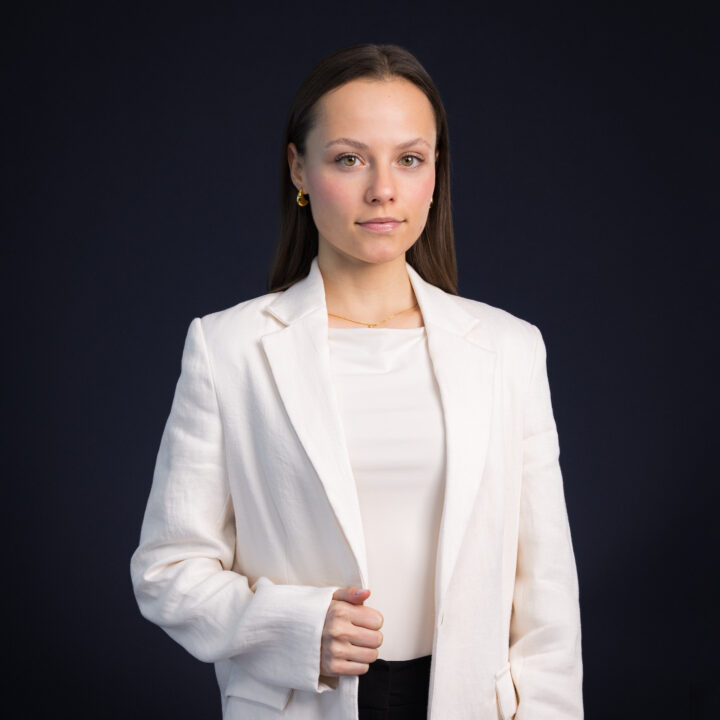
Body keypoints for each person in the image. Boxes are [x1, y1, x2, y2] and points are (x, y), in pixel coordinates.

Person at [130, 43, 583, 720]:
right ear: (298, 169)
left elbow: (545, 593)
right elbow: (167, 570)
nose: (383, 190)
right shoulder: (228, 349)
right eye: (349, 158)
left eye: (409, 159)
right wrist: (294, 628)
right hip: (300, 703)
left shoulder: (508, 350)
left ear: (436, 172)